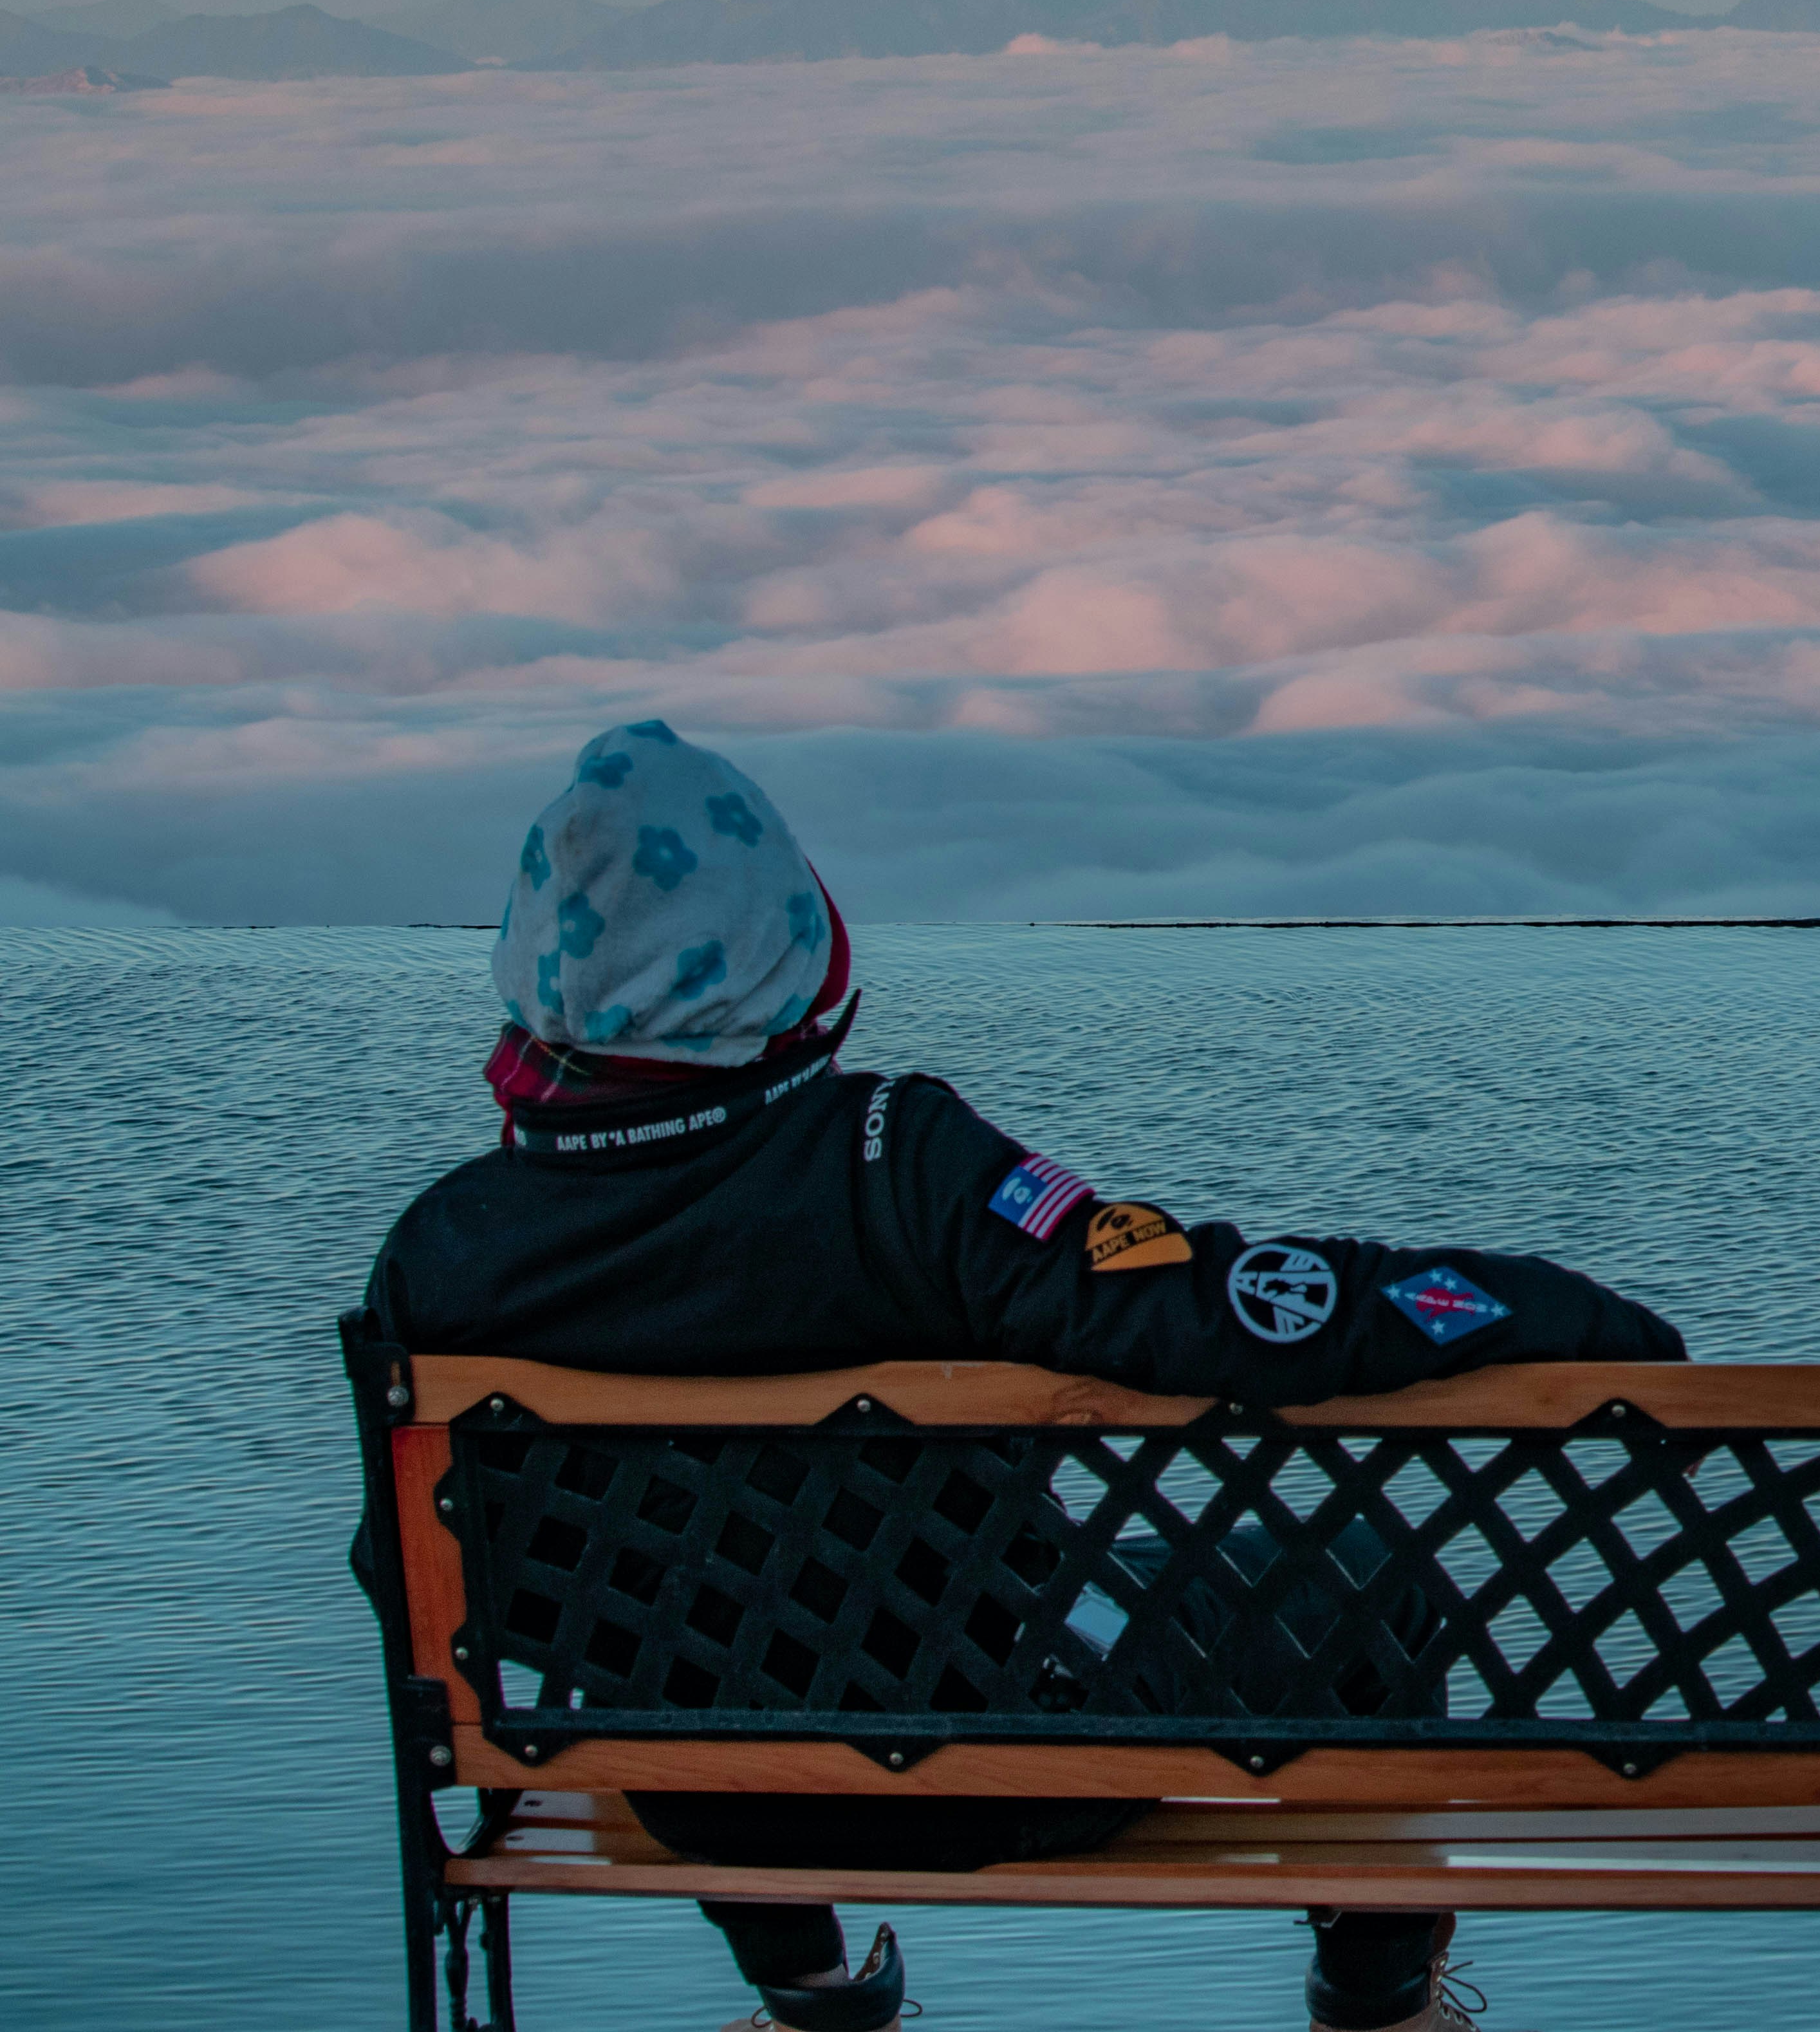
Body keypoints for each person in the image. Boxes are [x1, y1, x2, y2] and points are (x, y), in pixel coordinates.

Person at [365, 720, 1685, 2032]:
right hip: (1003, 1753)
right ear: (777, 948)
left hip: (701, 1781)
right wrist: (1544, 1308)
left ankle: (814, 1999)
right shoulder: (892, 1161)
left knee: (691, 1642)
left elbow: (413, 1573)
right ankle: (1380, 2004)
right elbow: (1213, 1316)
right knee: (1362, 1565)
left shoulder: (442, 1252)